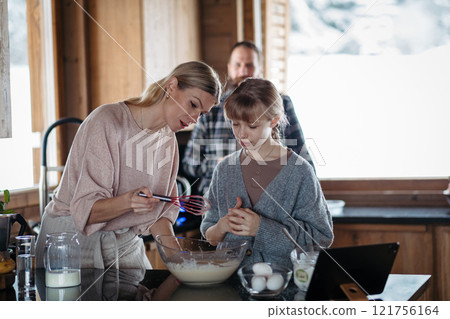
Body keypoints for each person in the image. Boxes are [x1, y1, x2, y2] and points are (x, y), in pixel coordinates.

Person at [36, 61, 222, 269]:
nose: (195, 119)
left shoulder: (168, 140)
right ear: (171, 86)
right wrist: (128, 201)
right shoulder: (107, 122)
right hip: (71, 241)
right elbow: (85, 210)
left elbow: (160, 216)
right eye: (193, 105)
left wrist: (181, 263)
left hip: (123, 241)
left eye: (202, 113)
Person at [200, 78, 333, 268]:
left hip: (283, 291)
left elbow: (320, 239)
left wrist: (261, 229)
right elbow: (210, 235)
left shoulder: (300, 172)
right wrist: (222, 226)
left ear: (274, 121)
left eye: (252, 126)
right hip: (230, 289)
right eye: (235, 124)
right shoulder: (224, 169)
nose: (241, 134)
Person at [182, 41, 314, 195]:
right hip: (218, 197)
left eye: (249, 65)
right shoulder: (211, 109)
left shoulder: (282, 103)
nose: (243, 71)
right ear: (229, 68)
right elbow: (189, 162)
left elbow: (302, 156)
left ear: (260, 69)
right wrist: (219, 164)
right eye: (237, 65)